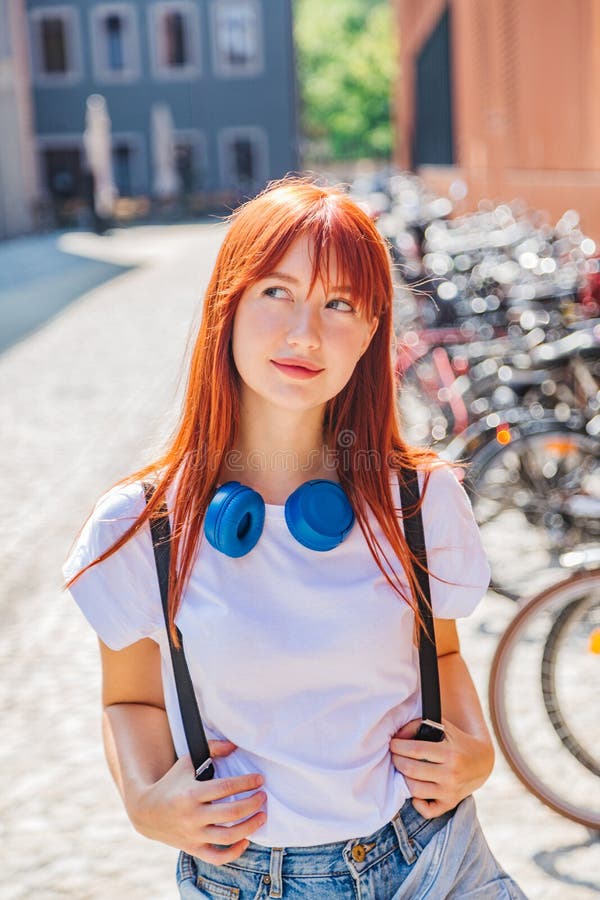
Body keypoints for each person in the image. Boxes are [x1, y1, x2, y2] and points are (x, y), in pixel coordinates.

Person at [63, 177, 527, 899]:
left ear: (372, 330)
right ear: (229, 304)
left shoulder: (418, 500)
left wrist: (474, 753)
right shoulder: (142, 526)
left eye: (339, 304)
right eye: (276, 291)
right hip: (248, 881)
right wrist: (145, 804)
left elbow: (442, 655)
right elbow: (130, 702)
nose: (305, 333)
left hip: (434, 862)